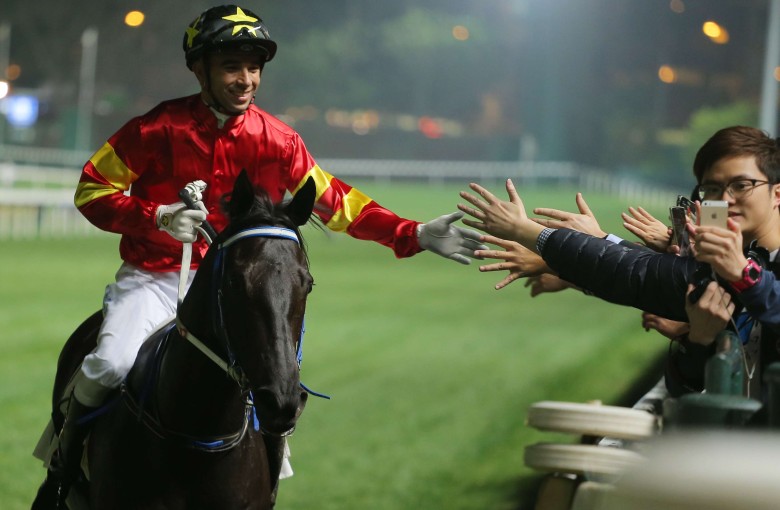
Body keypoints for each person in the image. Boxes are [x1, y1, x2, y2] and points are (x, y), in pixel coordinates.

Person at [34, 4, 486, 505]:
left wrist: (413, 233)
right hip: (156, 278)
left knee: (276, 381)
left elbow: (337, 202)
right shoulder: (155, 129)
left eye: (253, 67)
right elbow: (92, 190)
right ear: (199, 69)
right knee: (110, 364)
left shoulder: (278, 141)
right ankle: (63, 468)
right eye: (232, 66)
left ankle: (264, 482)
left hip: (236, 291)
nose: (246, 79)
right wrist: (158, 216)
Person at [459, 126, 780, 406]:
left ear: (776, 193)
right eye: (712, 189)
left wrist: (532, 235)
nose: (724, 199)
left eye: (741, 185)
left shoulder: (745, 272)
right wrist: (698, 341)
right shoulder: (739, 268)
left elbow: (642, 275)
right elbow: (682, 389)